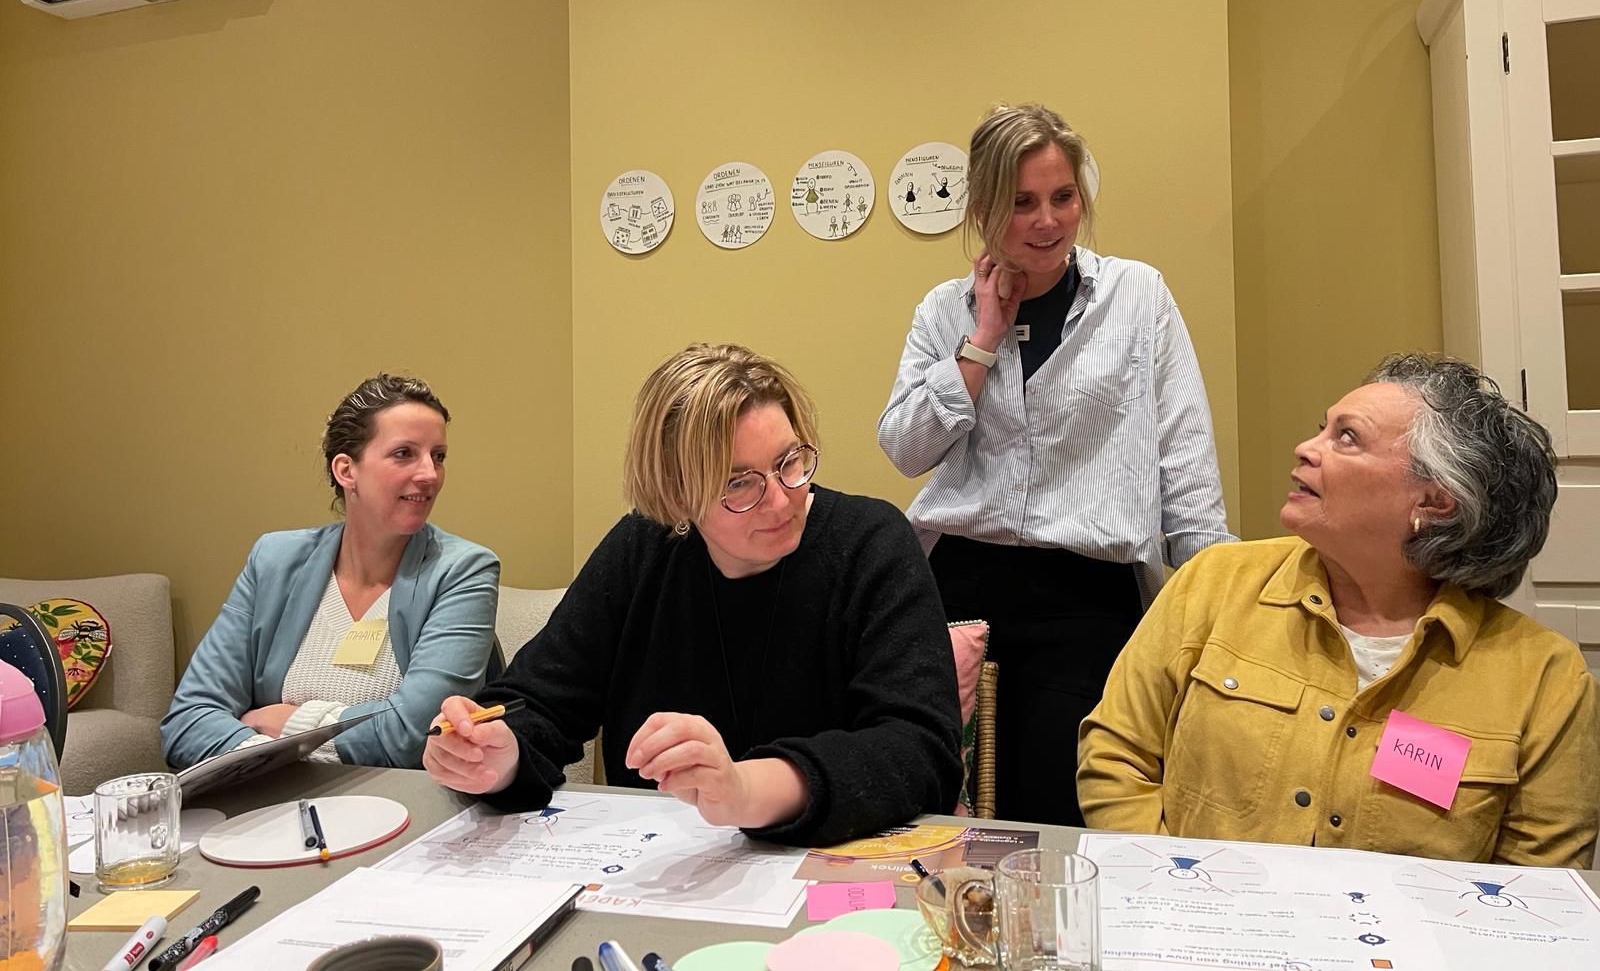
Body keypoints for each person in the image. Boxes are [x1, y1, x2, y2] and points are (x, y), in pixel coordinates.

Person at [424, 343, 963, 847]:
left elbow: (919, 749)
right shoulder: (644, 547)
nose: (780, 501)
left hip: (832, 867)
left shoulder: (869, 542)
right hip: (658, 868)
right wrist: (501, 755)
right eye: (738, 484)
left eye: (789, 462)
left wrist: (748, 789)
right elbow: (541, 700)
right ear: (677, 495)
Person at [1079, 354, 1600, 868]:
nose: (1306, 449)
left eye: (1347, 437)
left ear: (1435, 502)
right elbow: (1117, 757)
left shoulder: (1544, 677)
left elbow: (1538, 885)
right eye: (1322, 429)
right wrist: (1178, 891)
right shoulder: (1214, 583)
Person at [877, 102, 1232, 826]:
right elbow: (906, 448)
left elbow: (1185, 461)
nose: (1048, 221)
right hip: (956, 593)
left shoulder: (1138, 298)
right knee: (942, 810)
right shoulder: (944, 310)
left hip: (1088, 599)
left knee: (1063, 817)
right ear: (981, 210)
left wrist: (1216, 617)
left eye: (1063, 198)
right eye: (1022, 203)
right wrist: (981, 340)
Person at [161, 374, 500, 770]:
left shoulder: (462, 570)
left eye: (438, 456)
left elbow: (415, 735)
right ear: (346, 470)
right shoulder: (274, 560)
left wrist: (291, 725)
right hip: (272, 810)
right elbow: (187, 721)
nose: (429, 474)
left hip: (406, 810)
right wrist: (269, 759)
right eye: (404, 453)